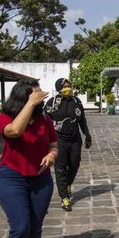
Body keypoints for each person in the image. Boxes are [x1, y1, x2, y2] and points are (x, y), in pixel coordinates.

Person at [0, 79, 58, 238]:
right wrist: (30, 105)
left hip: (41, 179)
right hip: (12, 177)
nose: (41, 95)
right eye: (36, 93)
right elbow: (14, 132)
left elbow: (53, 145)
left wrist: (51, 155)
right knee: (20, 226)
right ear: (24, 96)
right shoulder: (5, 117)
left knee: (35, 225)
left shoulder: (45, 119)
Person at [44, 78, 92, 211]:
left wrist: (87, 135)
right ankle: (64, 198)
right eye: (64, 86)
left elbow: (82, 120)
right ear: (59, 88)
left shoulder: (76, 101)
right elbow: (45, 123)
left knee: (74, 164)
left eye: (68, 86)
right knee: (60, 169)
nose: (67, 88)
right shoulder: (52, 103)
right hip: (59, 140)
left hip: (75, 139)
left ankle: (68, 183)